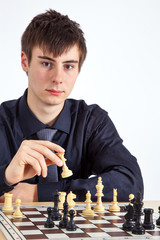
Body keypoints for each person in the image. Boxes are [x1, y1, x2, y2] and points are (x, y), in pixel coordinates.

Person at [0, 9, 143, 202]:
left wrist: (40, 194)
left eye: (68, 66)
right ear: (25, 62)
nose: (58, 78)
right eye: (46, 64)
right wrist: (6, 177)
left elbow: (130, 182)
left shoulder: (92, 122)